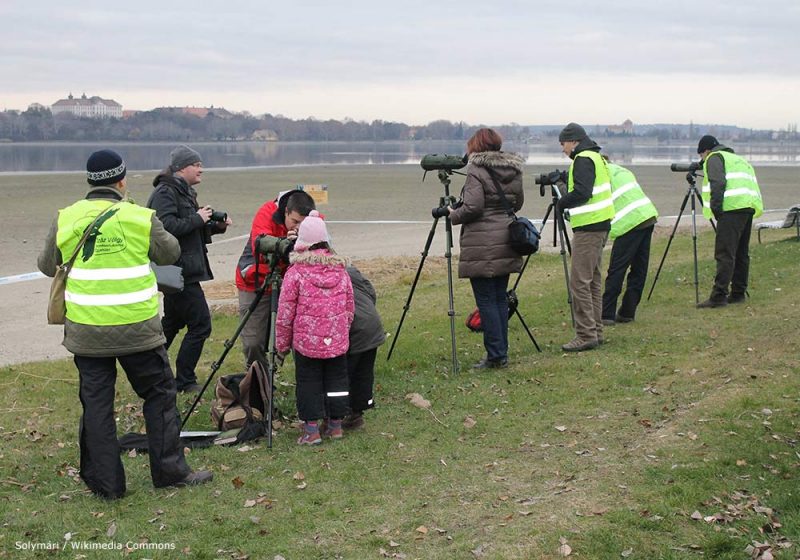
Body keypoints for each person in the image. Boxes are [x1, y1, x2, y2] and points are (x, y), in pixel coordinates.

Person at [37, 149, 212, 499]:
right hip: (139, 331)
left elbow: (46, 264)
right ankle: (170, 472)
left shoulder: (67, 217)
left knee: (97, 405)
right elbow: (170, 253)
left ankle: (107, 485)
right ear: (121, 181)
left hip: (87, 331)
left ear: (89, 182)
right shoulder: (138, 217)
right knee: (159, 397)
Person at [146, 145, 231, 392]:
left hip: (185, 268)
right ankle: (184, 380)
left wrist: (216, 226)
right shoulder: (165, 193)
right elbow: (165, 228)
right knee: (201, 324)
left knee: (172, 323)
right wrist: (198, 219)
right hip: (177, 271)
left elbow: (190, 229)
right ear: (182, 167)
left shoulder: (184, 192)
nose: (201, 169)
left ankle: (151, 372)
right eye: (197, 164)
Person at [447, 128, 524, 369]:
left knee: (487, 301)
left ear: (476, 147)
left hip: (482, 242)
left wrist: (453, 214)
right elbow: (518, 202)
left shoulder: (476, 170)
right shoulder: (513, 169)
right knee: (499, 299)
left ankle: (495, 355)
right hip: (506, 238)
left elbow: (473, 207)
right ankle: (501, 351)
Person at [275, 211, 354, 445]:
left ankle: (311, 430)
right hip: (336, 340)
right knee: (337, 381)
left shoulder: (296, 273)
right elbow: (350, 306)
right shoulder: (340, 271)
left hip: (306, 343)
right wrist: (342, 329)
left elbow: (285, 312)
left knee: (308, 383)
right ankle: (335, 425)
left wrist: (282, 343)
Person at [235, 189, 317, 374]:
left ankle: (307, 381)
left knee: (304, 334)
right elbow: (260, 242)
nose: (298, 227)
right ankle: (259, 381)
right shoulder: (267, 212)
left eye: (303, 224)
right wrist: (285, 244)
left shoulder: (313, 219)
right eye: (295, 222)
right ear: (285, 211)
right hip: (256, 280)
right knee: (253, 342)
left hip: (291, 281)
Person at [556, 123, 615, 352]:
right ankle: (595, 331)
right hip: (600, 224)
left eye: (563, 144)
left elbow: (583, 192)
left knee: (579, 282)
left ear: (574, 141)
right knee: (592, 281)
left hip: (589, 227)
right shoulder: (596, 157)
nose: (563, 149)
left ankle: (585, 334)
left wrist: (562, 202)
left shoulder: (582, 159)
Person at [696, 135, 763, 308]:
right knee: (741, 253)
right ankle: (738, 293)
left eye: (701, 156)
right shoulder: (738, 159)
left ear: (706, 151)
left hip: (731, 209)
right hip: (747, 207)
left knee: (725, 254)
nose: (701, 160)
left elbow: (717, 183)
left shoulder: (714, 158)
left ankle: (718, 296)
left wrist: (716, 209)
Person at [601, 160, 659, 325]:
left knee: (617, 269)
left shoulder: (601, 174)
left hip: (629, 223)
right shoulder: (621, 170)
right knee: (639, 268)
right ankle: (628, 311)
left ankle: (606, 313)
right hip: (647, 216)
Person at [343, 265, 386, 429]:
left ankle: (342, 413)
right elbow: (371, 292)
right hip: (372, 328)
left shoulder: (321, 274)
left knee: (344, 374)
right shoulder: (350, 269)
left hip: (353, 330)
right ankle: (358, 412)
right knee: (363, 373)